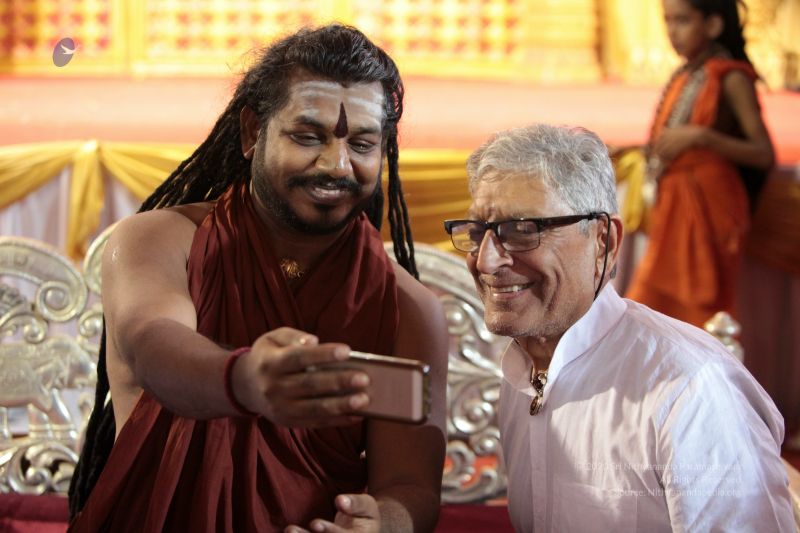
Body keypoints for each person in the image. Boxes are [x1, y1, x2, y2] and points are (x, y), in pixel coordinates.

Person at [67, 24, 449, 533]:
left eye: (361, 144)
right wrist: (245, 380)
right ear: (252, 133)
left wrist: (381, 524)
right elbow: (153, 344)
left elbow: (411, 484)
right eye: (307, 137)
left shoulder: (406, 307)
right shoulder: (160, 241)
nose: (337, 165)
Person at [444, 123, 794, 531]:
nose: (486, 261)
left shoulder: (688, 387)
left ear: (604, 241)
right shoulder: (523, 369)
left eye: (523, 231)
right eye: (477, 232)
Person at [625, 0, 775, 326]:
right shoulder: (686, 74)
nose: (672, 31)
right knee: (657, 306)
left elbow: (764, 153)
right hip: (675, 206)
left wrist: (703, 137)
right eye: (667, 21)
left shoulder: (731, 77)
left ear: (713, 25)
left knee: (698, 307)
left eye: (682, 21)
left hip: (710, 208)